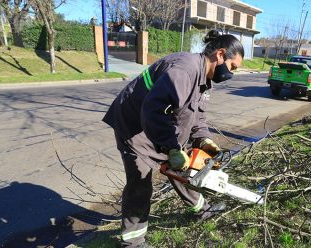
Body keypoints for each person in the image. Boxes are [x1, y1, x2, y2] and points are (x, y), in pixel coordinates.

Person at [102, 30, 244, 248]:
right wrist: (171, 148)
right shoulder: (184, 71)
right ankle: (133, 242)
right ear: (220, 54)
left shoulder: (204, 80)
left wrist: (203, 139)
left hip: (159, 126)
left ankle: (201, 210)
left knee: (186, 170)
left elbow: (198, 116)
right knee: (140, 183)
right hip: (134, 126)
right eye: (233, 67)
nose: (231, 73)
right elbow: (153, 110)